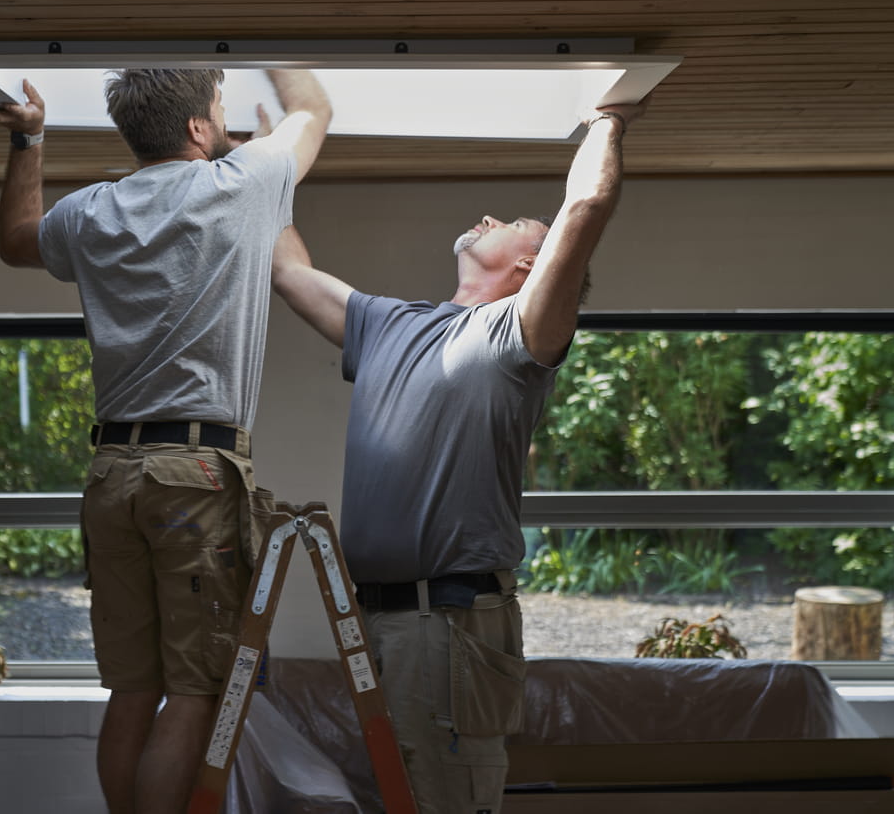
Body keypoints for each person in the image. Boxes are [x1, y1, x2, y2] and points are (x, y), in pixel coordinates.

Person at [271, 98, 648, 814]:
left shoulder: (519, 333)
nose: (487, 217)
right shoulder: (390, 323)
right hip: (379, 621)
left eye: (511, 222)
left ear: (531, 265)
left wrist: (611, 116)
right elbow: (288, 269)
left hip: (448, 624)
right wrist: (257, 170)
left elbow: (587, 203)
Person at [0, 68, 330, 814]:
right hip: (193, 475)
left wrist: (29, 138)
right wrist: (271, 46)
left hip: (114, 475)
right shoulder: (243, 181)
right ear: (199, 127)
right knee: (198, 690)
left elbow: (13, 241)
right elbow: (313, 107)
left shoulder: (91, 210)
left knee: (134, 689)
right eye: (217, 109)